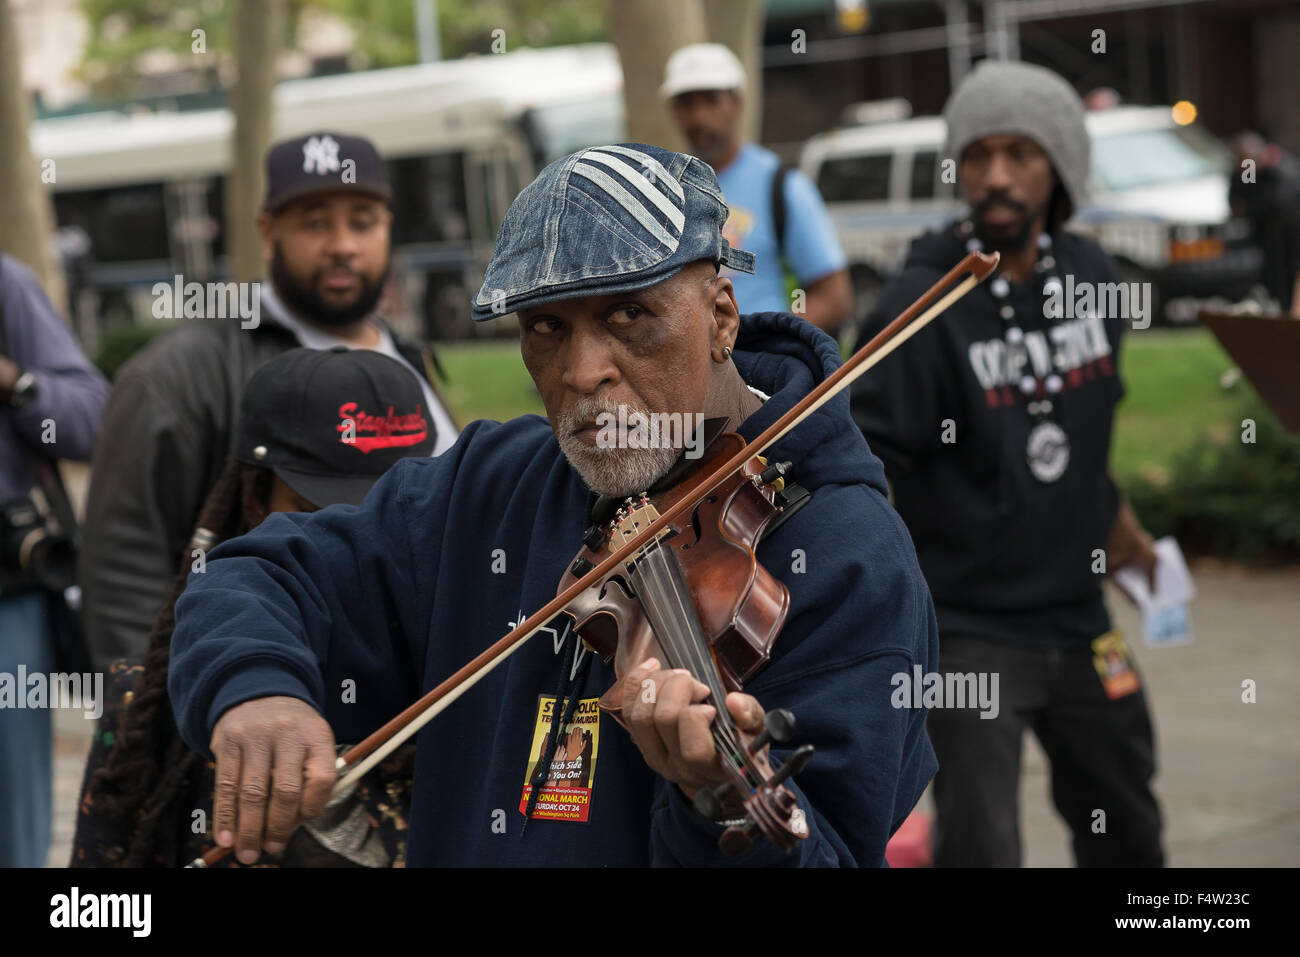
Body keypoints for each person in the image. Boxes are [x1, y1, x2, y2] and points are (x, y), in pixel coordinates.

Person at [168, 142, 939, 867]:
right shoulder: (490, 481)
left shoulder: (845, 553)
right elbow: (260, 572)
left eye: (627, 316)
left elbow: (825, 843)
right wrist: (258, 685)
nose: (582, 372)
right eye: (546, 327)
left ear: (721, 317)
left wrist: (718, 808)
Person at [850, 61, 1164, 867]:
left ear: (1059, 165)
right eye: (978, 155)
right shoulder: (920, 304)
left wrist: (1124, 532)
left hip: (1080, 616)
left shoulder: (1094, 277)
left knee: (1130, 821)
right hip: (968, 629)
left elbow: (1083, 438)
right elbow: (853, 465)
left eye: (1019, 154)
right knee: (982, 845)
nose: (995, 177)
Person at [79, 131, 459, 672]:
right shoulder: (180, 373)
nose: (343, 245)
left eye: (363, 220)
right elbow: (122, 567)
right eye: (314, 222)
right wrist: (158, 715)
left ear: (388, 228)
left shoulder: (409, 360)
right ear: (267, 232)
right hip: (261, 703)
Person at [71, 347, 434, 867]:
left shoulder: (468, 665)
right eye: (310, 515)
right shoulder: (145, 702)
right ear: (252, 500)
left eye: (377, 516)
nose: (343, 542)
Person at [0, 253, 109, 867]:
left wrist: (15, 381)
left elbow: (94, 418)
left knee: (14, 824)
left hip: (9, 598)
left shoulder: (4, 285)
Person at [661, 43, 853, 335]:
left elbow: (834, 297)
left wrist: (766, 343)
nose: (699, 117)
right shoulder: (660, 191)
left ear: (736, 103)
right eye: (687, 103)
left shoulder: (781, 186)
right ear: (674, 112)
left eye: (711, 100)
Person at [1229, 131, 1300, 316]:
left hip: (1288, 238)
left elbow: (1279, 202)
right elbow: (1239, 202)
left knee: (1287, 277)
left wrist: (1251, 207)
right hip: (1266, 239)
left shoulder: (1280, 168)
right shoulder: (1249, 171)